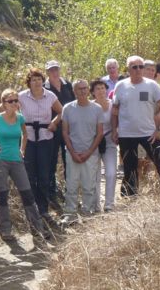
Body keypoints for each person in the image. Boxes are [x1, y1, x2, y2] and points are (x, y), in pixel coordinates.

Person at [111, 56, 160, 196]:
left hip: (148, 133)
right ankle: (129, 196)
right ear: (128, 69)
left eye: (141, 66)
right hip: (126, 134)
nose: (138, 69)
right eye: (134, 67)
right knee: (129, 167)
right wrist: (114, 129)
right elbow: (115, 110)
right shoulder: (120, 86)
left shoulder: (152, 85)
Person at [0, 89, 51, 241]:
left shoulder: (20, 118)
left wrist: (22, 149)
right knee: (3, 195)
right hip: (0, 160)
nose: (14, 103)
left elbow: (25, 134)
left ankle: (37, 228)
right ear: (4, 103)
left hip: (16, 160)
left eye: (16, 100)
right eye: (10, 101)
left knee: (27, 193)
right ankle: (6, 230)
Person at [18, 68, 64, 220]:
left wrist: (54, 123)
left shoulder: (50, 95)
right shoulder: (21, 96)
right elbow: (7, 107)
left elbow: (61, 111)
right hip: (28, 139)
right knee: (30, 175)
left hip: (45, 137)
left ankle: (44, 209)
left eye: (39, 79)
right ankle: (32, 209)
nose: (37, 82)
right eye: (33, 80)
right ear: (29, 82)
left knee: (44, 175)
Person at [61, 80, 104, 220]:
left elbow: (100, 133)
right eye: (79, 89)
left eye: (85, 88)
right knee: (71, 185)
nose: (83, 91)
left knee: (88, 186)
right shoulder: (68, 108)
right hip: (72, 153)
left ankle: (87, 212)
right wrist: (73, 152)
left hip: (90, 153)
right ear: (74, 91)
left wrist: (89, 152)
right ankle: (70, 213)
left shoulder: (97, 108)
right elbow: (65, 132)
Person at [44, 60, 75, 208]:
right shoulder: (44, 87)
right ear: (47, 72)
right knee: (51, 161)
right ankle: (52, 192)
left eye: (56, 69)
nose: (54, 72)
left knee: (68, 159)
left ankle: (70, 191)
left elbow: (74, 104)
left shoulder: (68, 85)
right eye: (51, 70)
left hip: (68, 128)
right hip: (52, 129)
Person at [89, 79, 118, 212]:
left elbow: (116, 120)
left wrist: (115, 132)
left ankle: (109, 203)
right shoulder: (89, 106)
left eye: (103, 88)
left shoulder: (112, 105)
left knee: (111, 172)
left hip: (109, 140)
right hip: (93, 142)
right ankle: (95, 205)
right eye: (97, 89)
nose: (101, 91)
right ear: (93, 92)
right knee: (95, 174)